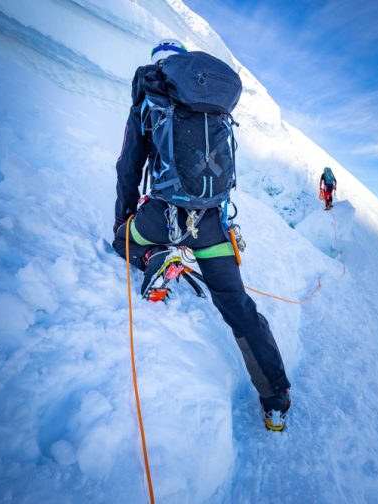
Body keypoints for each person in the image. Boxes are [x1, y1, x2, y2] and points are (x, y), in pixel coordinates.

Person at [111, 39, 291, 430]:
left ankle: (155, 257)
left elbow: (129, 166)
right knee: (237, 305)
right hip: (211, 225)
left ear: (157, 66)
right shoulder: (211, 103)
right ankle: (275, 397)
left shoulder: (149, 99)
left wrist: (124, 219)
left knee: (122, 240)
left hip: (161, 217)